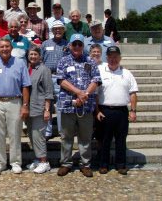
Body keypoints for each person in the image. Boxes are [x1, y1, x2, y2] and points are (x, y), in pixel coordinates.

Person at [56, 34, 101, 177]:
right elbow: (61, 80)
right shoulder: (63, 61)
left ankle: (85, 164)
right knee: (66, 136)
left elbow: (96, 80)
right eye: (74, 44)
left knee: (85, 137)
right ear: (69, 46)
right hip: (68, 104)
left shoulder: (90, 61)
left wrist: (85, 94)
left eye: (79, 44)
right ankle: (66, 163)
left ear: (83, 46)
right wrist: (78, 92)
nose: (76, 47)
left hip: (86, 105)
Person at [0, 38, 31, 174]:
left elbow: (25, 86)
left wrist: (25, 105)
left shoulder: (20, 64)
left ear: (11, 48)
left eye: (7, 46)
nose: (4, 49)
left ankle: (15, 162)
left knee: (15, 133)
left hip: (14, 101)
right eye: (2, 47)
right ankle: (0, 162)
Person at [96, 46, 138, 175]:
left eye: (115, 57)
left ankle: (121, 164)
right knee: (104, 140)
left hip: (121, 112)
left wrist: (133, 111)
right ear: (107, 58)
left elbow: (133, 93)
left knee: (121, 140)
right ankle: (103, 164)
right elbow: (95, 94)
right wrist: (97, 110)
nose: (113, 59)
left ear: (120, 58)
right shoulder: (100, 72)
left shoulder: (127, 73)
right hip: (105, 110)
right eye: (110, 57)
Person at [26, 46, 54, 174]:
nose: (33, 57)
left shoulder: (44, 70)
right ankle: (38, 159)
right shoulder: (27, 69)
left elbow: (49, 92)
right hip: (29, 108)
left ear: (40, 56)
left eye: (35, 55)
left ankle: (44, 162)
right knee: (32, 136)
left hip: (39, 107)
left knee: (39, 136)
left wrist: (47, 109)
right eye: (31, 54)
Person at [41, 20, 69, 140]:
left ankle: (62, 130)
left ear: (63, 31)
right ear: (52, 31)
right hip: (47, 76)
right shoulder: (45, 44)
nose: (58, 31)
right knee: (46, 104)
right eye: (55, 29)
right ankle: (47, 131)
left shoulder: (67, 45)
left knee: (60, 105)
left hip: (61, 78)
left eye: (60, 29)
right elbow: (40, 60)